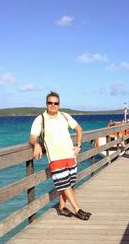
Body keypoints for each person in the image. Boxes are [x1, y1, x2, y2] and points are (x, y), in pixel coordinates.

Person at [29, 91, 91, 221]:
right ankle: (77, 209)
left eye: (55, 103)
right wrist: (36, 145)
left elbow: (79, 129)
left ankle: (62, 207)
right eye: (50, 103)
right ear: (46, 104)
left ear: (59, 104)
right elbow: (32, 137)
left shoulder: (64, 116)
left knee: (69, 183)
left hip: (70, 155)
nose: (53, 105)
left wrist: (78, 145)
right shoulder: (40, 119)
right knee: (65, 185)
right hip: (56, 158)